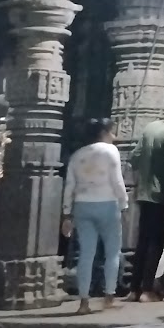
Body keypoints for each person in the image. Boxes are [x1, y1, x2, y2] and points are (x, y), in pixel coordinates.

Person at [61, 118, 128, 314]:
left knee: (86, 254)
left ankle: (84, 302)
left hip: (82, 206)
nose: (114, 137)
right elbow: (117, 181)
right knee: (112, 252)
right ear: (105, 132)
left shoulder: (77, 155)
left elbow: (70, 187)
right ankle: (109, 296)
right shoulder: (110, 151)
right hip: (107, 204)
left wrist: (67, 213)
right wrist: (124, 204)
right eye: (112, 132)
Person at [127, 102, 164, 303]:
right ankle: (147, 290)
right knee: (156, 243)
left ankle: (134, 289)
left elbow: (133, 158)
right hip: (162, 196)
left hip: (143, 194)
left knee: (142, 242)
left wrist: (138, 184)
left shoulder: (149, 128)